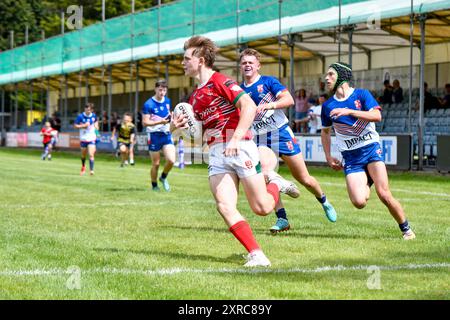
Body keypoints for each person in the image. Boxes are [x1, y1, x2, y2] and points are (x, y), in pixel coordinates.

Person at [172, 36, 300, 267]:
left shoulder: (221, 81)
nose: (182, 62)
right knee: (224, 206)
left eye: (186, 58)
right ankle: (257, 255)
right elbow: (198, 135)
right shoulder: (195, 96)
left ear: (200, 61)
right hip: (216, 153)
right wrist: (178, 127)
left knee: (261, 208)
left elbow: (248, 106)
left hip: (240, 147)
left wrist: (236, 139)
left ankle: (274, 183)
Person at [239, 48, 336, 233]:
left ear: (258, 65)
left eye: (251, 62)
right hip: (261, 138)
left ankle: (324, 201)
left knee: (305, 179)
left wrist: (270, 105)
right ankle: (282, 219)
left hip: (281, 133)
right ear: (241, 66)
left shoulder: (268, 82)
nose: (247, 65)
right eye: (244, 63)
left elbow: (289, 99)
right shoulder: (240, 90)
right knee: (266, 174)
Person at [320, 62, 416, 240]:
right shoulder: (327, 106)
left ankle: (407, 230)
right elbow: (325, 132)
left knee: (384, 194)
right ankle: (368, 180)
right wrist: (328, 155)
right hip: (351, 157)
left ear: (342, 77)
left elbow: (377, 116)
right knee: (359, 202)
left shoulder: (361, 95)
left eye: (331, 74)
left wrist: (349, 111)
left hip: (371, 150)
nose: (326, 78)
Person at [142, 79, 175, 191]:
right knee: (156, 164)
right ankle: (154, 185)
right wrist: (160, 122)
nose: (162, 93)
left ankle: (163, 177)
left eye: (164, 90)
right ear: (155, 89)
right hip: (154, 135)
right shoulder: (148, 104)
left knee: (171, 160)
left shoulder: (167, 101)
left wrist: (172, 119)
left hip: (166, 134)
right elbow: (145, 122)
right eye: (160, 90)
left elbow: (168, 114)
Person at [74, 103, 98, 176]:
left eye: (89, 110)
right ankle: (83, 167)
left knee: (91, 154)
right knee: (83, 155)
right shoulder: (80, 116)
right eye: (86, 109)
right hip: (83, 138)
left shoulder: (94, 116)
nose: (88, 111)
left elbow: (96, 123)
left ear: (92, 110)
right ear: (84, 109)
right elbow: (75, 126)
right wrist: (83, 126)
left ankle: (91, 170)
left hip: (91, 137)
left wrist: (97, 131)